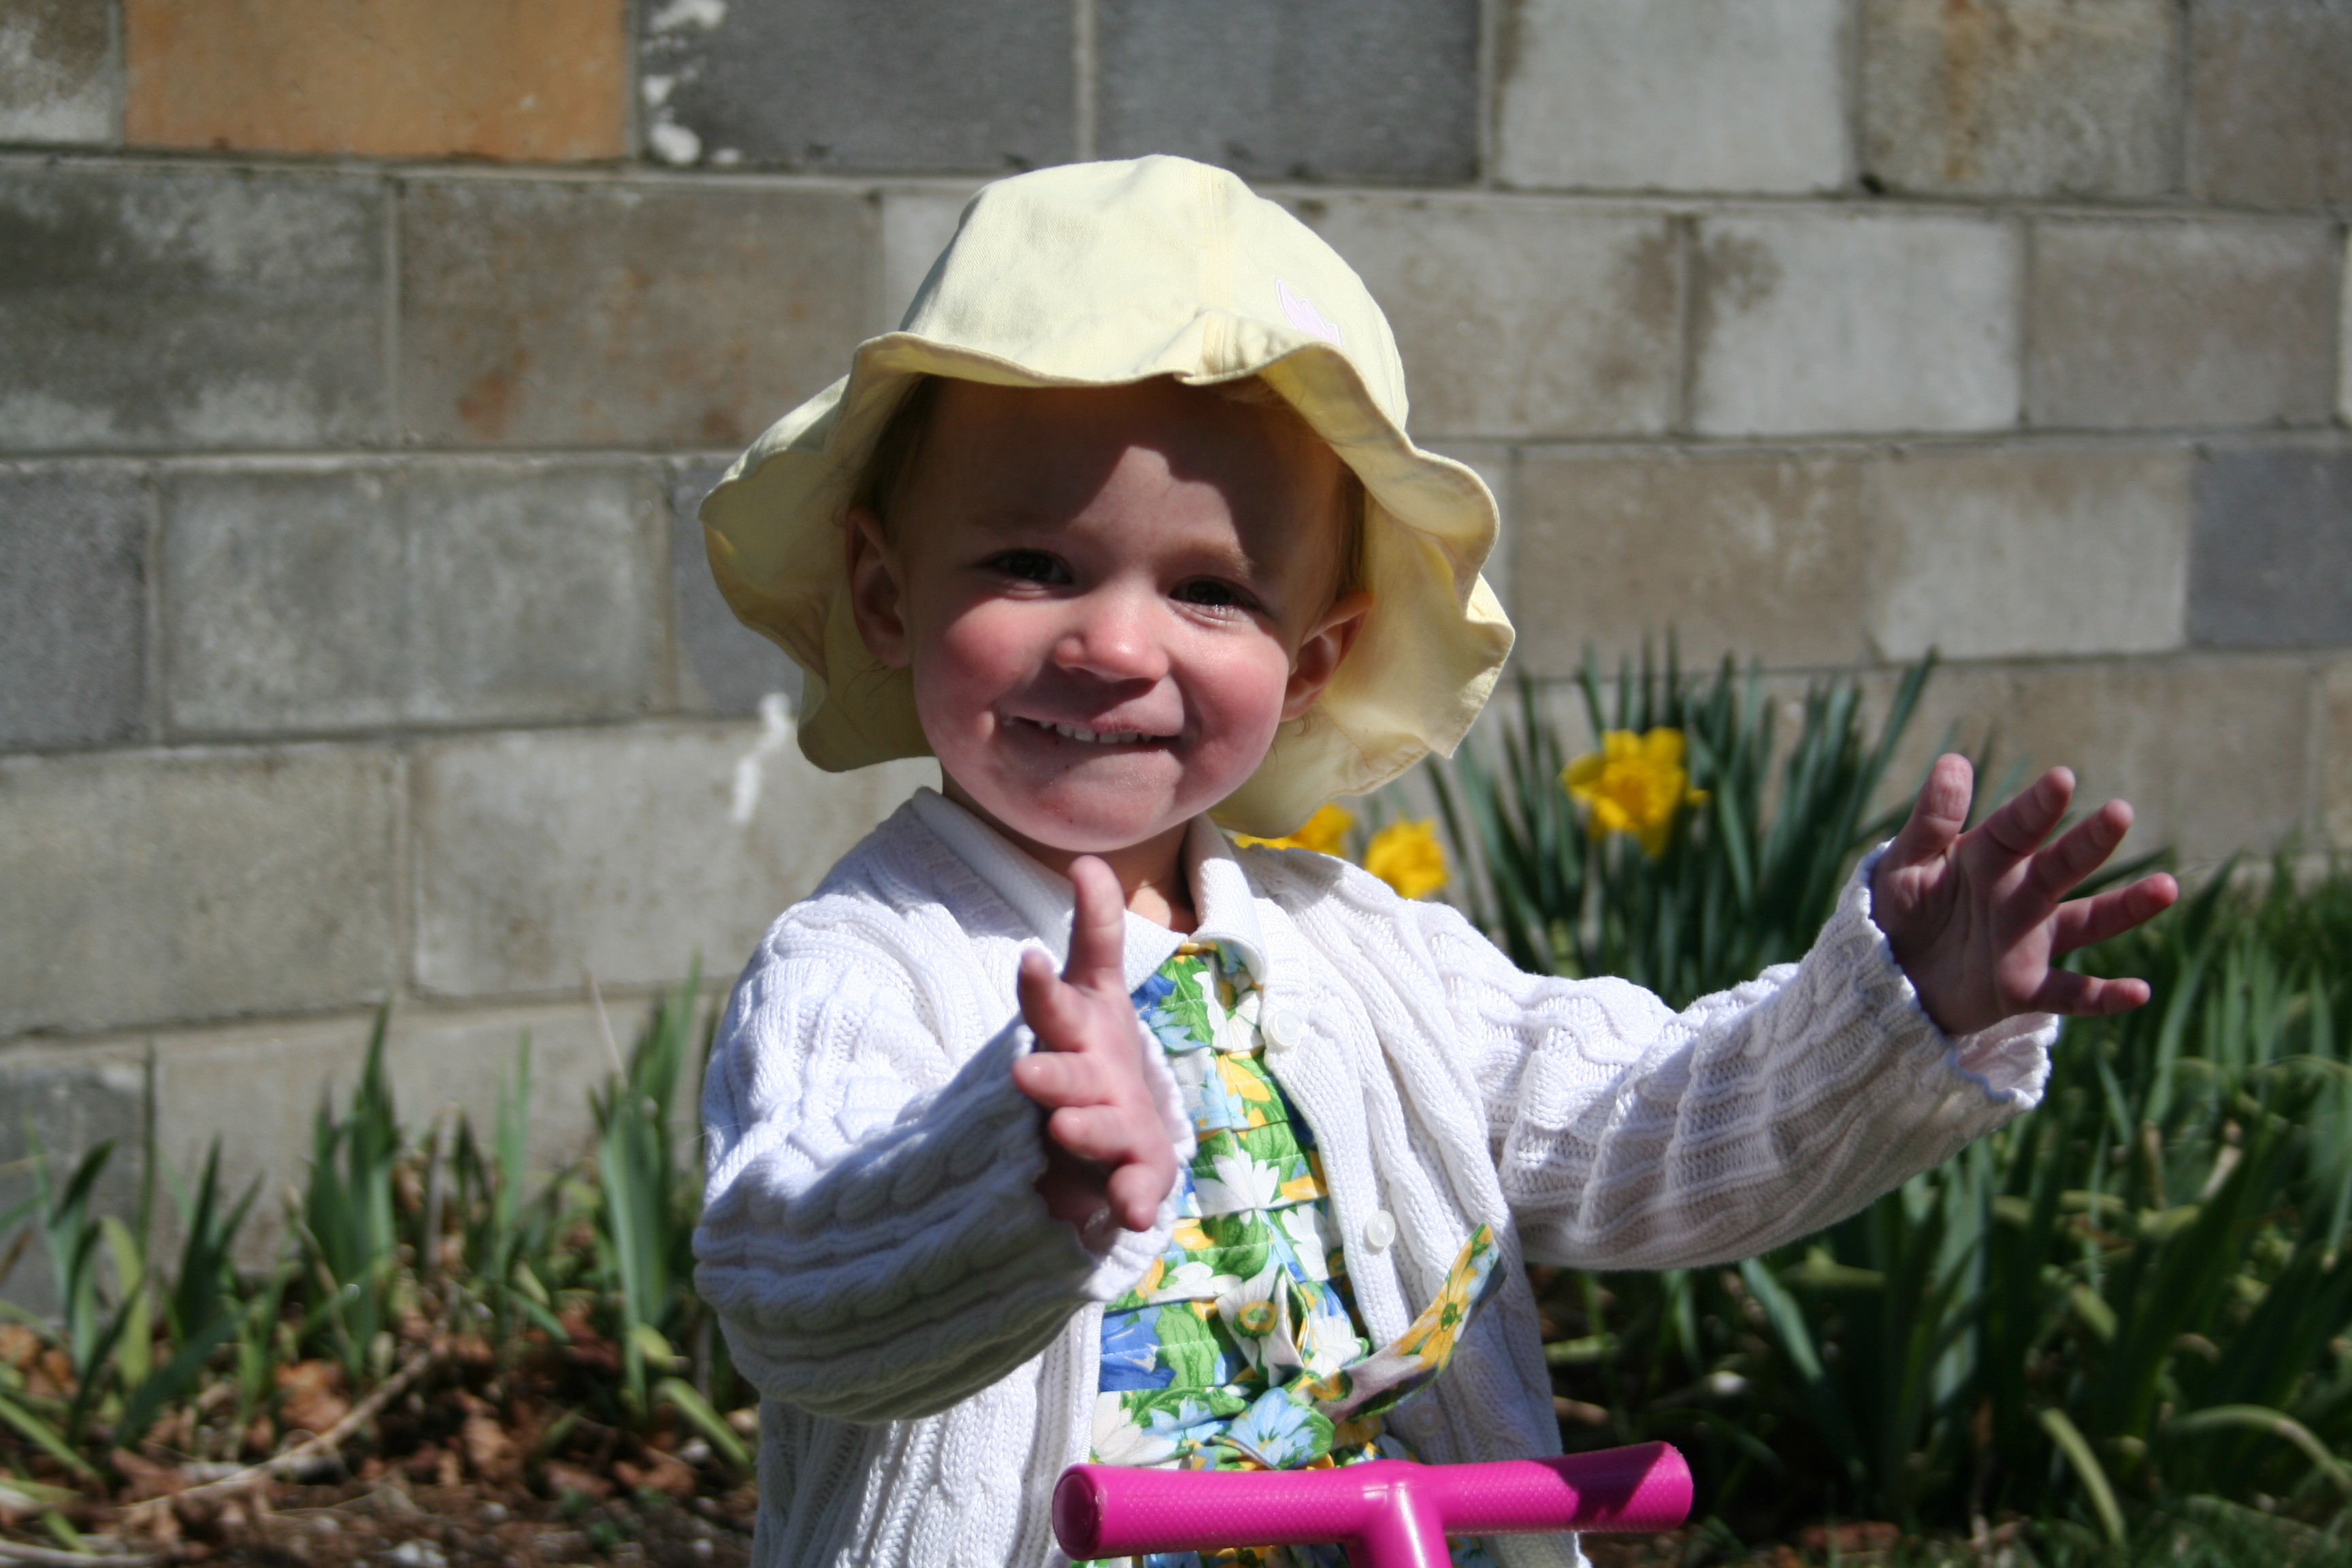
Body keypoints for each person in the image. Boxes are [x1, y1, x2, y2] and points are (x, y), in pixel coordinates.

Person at [688, 157, 2178, 1568]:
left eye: (1211, 591)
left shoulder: (1362, 955)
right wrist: (1022, 1168)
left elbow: (1644, 1136)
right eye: (1033, 565)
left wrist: (1902, 1006)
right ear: (885, 593)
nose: (1117, 644)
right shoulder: (867, 965)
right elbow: (787, 1286)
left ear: (1313, 660)